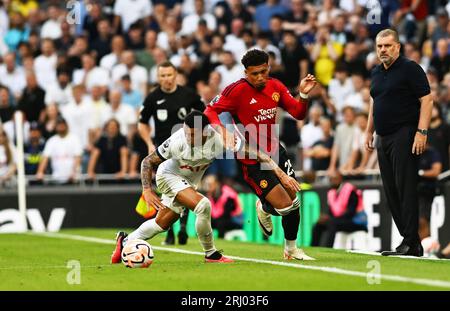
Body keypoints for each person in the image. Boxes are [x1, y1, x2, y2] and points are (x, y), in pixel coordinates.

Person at [203, 49, 316, 260]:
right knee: (285, 206)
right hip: (252, 158)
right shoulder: (235, 91)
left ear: (269, 68)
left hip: (275, 151)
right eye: (254, 74)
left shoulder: (276, 86)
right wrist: (222, 130)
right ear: (246, 73)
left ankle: (291, 248)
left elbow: (298, 113)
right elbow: (210, 111)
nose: (260, 77)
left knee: (294, 199)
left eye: (263, 72)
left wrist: (304, 94)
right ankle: (264, 206)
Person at [111, 111, 234, 264]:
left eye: (192, 134)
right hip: (168, 176)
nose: (188, 137)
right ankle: (211, 254)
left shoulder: (219, 141)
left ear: (205, 131)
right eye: (186, 133)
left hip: (187, 183)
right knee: (203, 206)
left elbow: (243, 151)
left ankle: (124, 241)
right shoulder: (177, 140)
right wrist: (147, 190)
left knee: (161, 224)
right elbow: (147, 162)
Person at [365, 29, 433, 257]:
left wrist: (421, 132)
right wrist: (368, 131)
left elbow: (427, 99)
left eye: (387, 45)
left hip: (404, 133)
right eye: (379, 46)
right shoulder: (375, 72)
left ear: (397, 47)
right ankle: (409, 240)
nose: (382, 49)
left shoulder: (410, 68)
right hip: (382, 137)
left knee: (405, 187)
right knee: (391, 190)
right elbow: (374, 103)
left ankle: (412, 242)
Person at [138, 61, 205, 245]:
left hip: (186, 149)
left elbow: (206, 115)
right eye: (163, 76)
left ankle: (181, 227)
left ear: (176, 75)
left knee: (185, 186)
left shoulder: (188, 94)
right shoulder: (152, 98)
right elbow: (142, 123)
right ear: (158, 77)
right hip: (163, 149)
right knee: (167, 188)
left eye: (169, 75)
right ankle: (170, 230)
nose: (166, 79)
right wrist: (148, 143)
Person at [311, 171, 367, 247]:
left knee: (332, 224)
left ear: (340, 179)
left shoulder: (350, 190)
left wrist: (332, 219)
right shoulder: (331, 192)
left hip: (356, 222)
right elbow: (331, 211)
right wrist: (326, 217)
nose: (332, 181)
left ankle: (328, 249)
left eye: (335, 179)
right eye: (331, 179)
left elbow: (351, 212)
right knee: (319, 224)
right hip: (340, 221)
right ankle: (314, 248)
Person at [36, 116, 82, 184]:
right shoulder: (52, 141)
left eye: (62, 124)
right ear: (56, 127)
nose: (61, 126)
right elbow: (45, 157)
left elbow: (78, 158)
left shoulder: (74, 139)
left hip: (72, 180)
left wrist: (74, 172)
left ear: (67, 126)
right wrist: (40, 172)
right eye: (59, 125)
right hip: (56, 179)